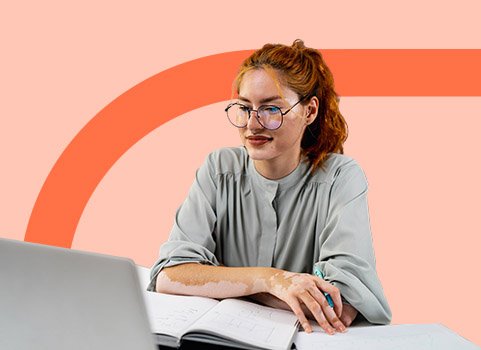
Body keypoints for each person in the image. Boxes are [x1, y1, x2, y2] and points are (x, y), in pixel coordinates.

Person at [148, 40, 391, 334]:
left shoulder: (341, 178)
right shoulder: (218, 169)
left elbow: (338, 304)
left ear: (309, 111)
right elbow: (169, 276)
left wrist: (221, 284)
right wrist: (272, 280)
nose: (253, 124)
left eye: (271, 109)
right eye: (244, 107)